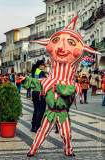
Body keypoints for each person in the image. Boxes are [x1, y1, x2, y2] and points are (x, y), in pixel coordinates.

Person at [20, 14, 100, 157]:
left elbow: (68, 91)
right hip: (50, 112)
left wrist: (56, 86)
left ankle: (68, 150)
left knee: (67, 133)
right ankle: (32, 149)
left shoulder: (73, 85)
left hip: (63, 114)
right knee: (42, 132)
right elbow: (36, 83)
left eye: (71, 42)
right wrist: (24, 80)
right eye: (56, 41)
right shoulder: (46, 81)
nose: (61, 47)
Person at [31, 60, 47, 133]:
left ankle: (33, 126)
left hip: (34, 92)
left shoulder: (34, 72)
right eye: (44, 65)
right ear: (40, 65)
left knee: (35, 110)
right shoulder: (41, 72)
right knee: (40, 110)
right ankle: (38, 127)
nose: (44, 66)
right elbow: (45, 82)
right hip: (40, 93)